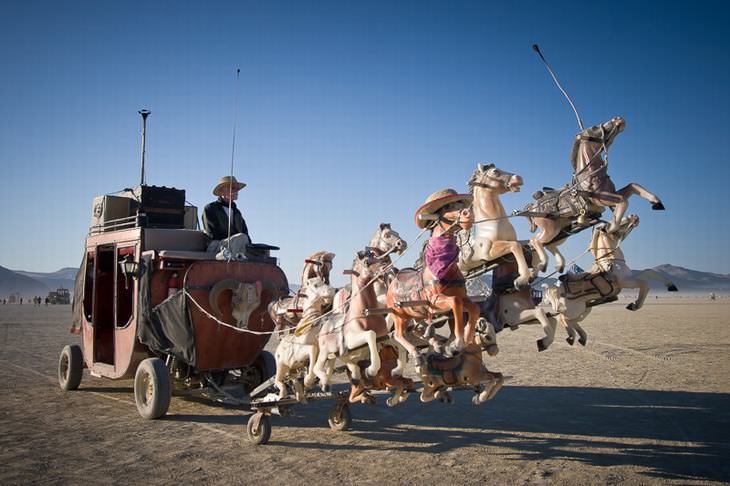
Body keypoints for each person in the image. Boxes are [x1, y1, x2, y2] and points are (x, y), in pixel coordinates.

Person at [202, 175, 252, 260]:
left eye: (237, 189)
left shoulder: (237, 213)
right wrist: (234, 238)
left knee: (244, 239)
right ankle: (222, 256)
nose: (236, 191)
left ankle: (232, 257)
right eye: (233, 188)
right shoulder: (210, 208)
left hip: (236, 244)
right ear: (221, 192)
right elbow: (212, 233)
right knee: (241, 238)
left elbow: (245, 233)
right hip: (216, 245)